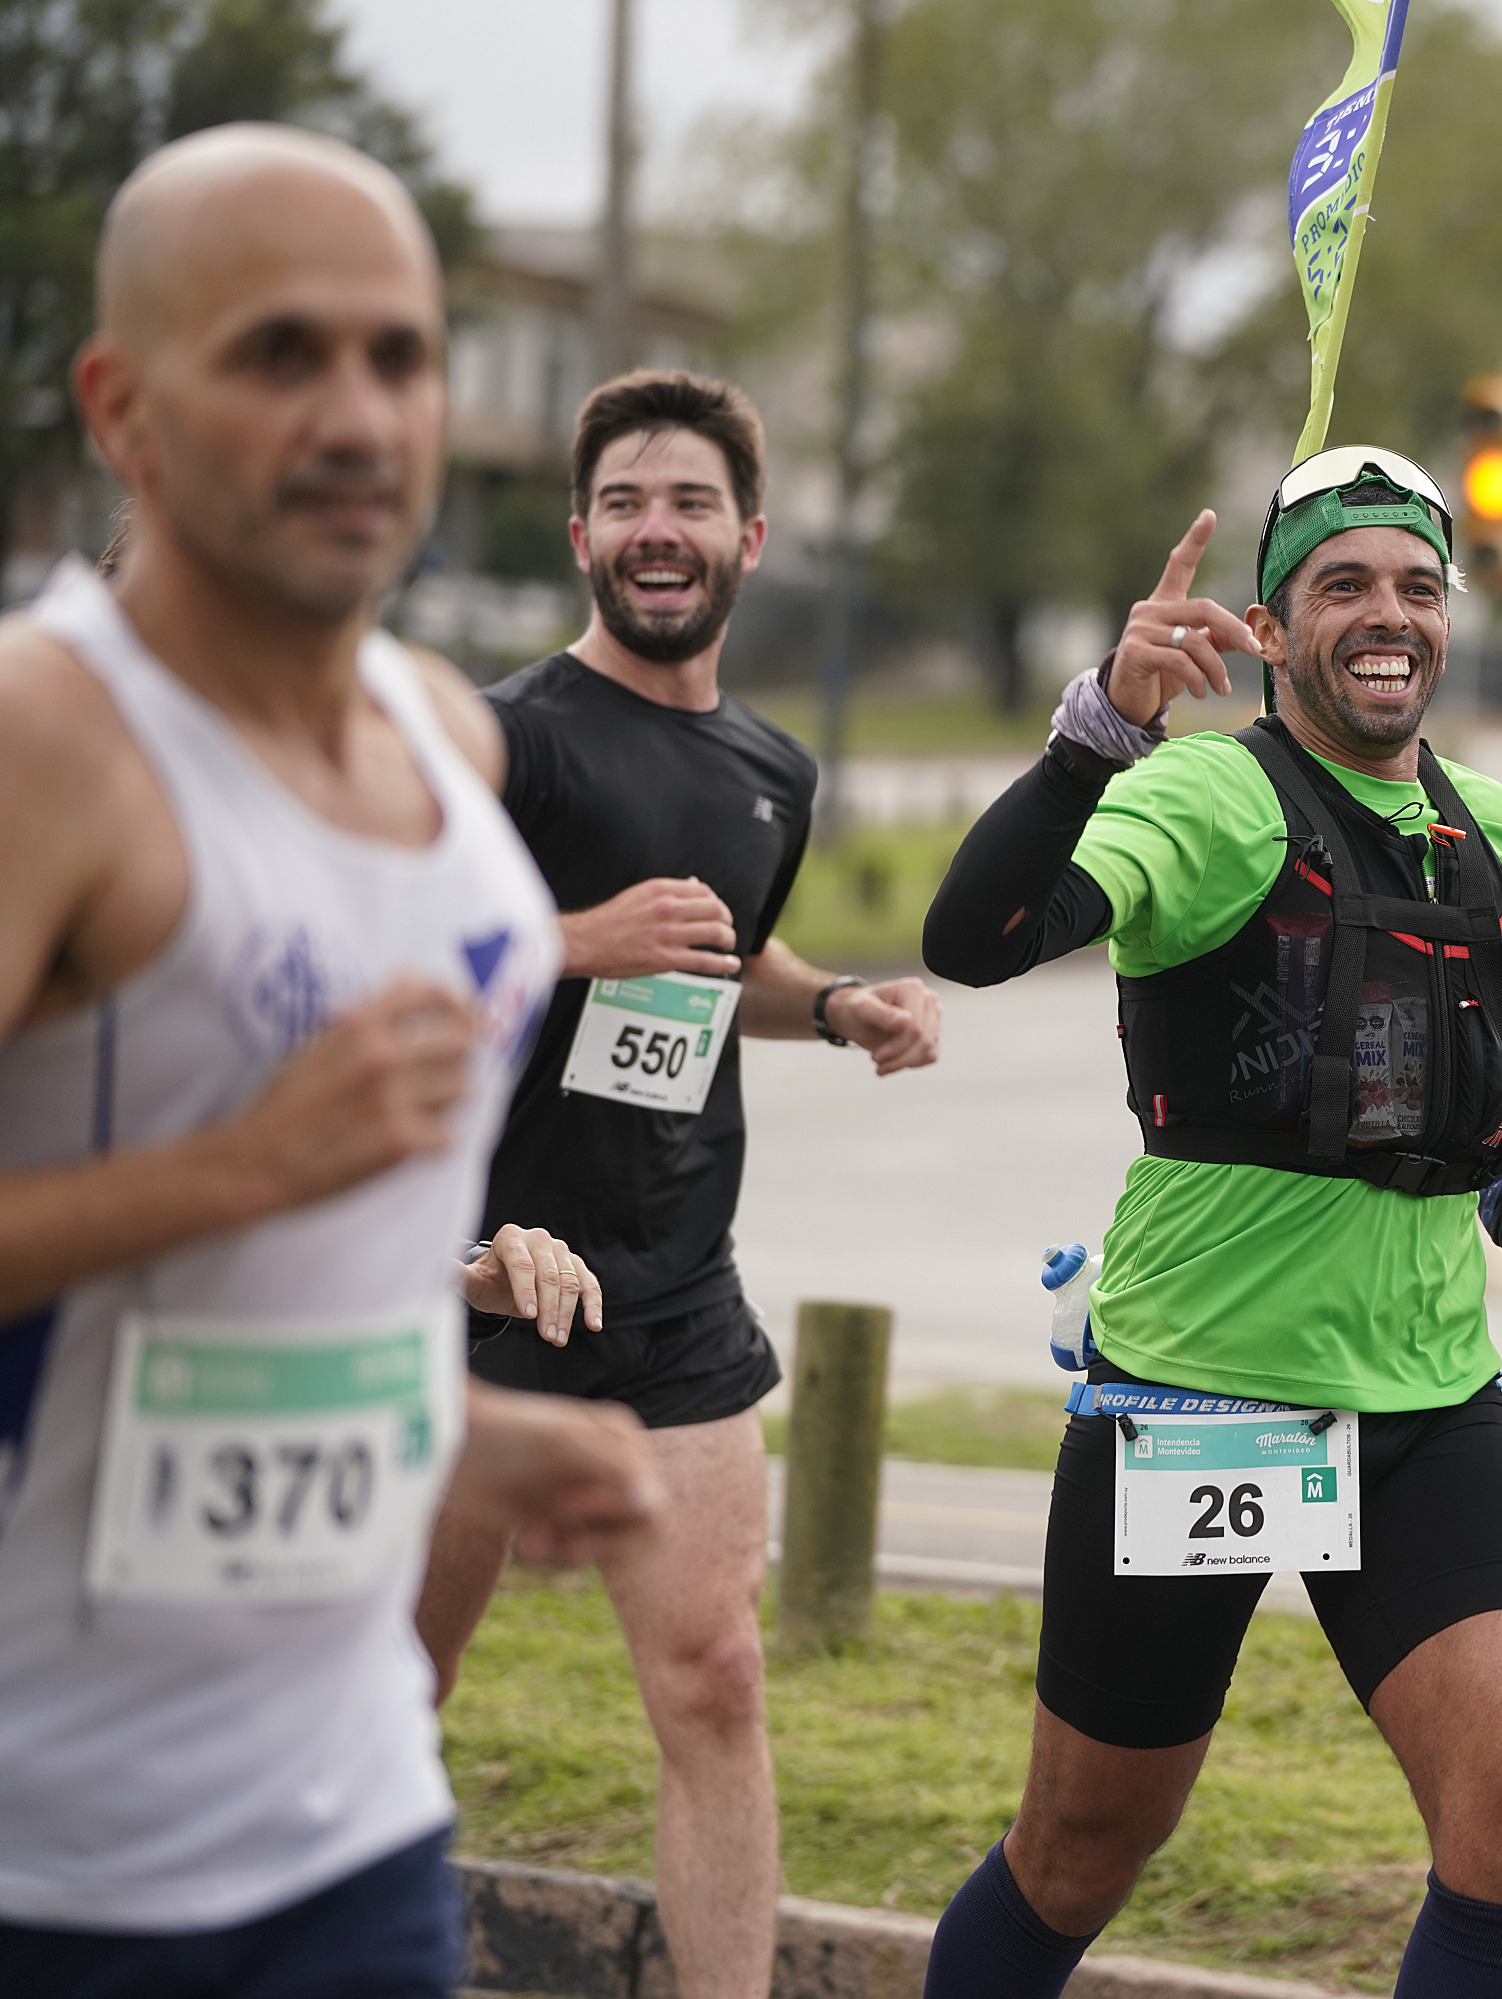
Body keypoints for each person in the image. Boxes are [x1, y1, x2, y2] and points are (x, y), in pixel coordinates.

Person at [0, 124, 664, 1995]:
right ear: (124, 409)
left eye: (401, 354)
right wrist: (243, 1164)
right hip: (49, 1865)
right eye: (281, 354)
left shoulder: (448, 745)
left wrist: (462, 1426)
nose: (359, 415)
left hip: (349, 1821)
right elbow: (245, 1193)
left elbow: (234, 1328)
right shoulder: (51, 743)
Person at [917, 447, 1502, 1999]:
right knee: (1082, 1853)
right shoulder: (1205, 793)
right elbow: (972, 942)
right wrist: (1099, 731)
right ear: (1269, 620)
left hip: (1429, 1398)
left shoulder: (1483, 820)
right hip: (1200, 1398)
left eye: (1419, 587)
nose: (1390, 617)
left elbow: (1483, 1115)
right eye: (1346, 586)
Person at [411, 368, 943, 1998]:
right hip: (472, 1282)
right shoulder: (505, 741)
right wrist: (575, 940)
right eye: (628, 500)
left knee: (715, 1682)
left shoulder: (769, 769)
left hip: (672, 1289)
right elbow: (388, 952)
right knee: (378, 1699)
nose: (659, 528)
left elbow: (728, 957)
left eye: (691, 502)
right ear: (581, 534)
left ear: (751, 538)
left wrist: (835, 1000)